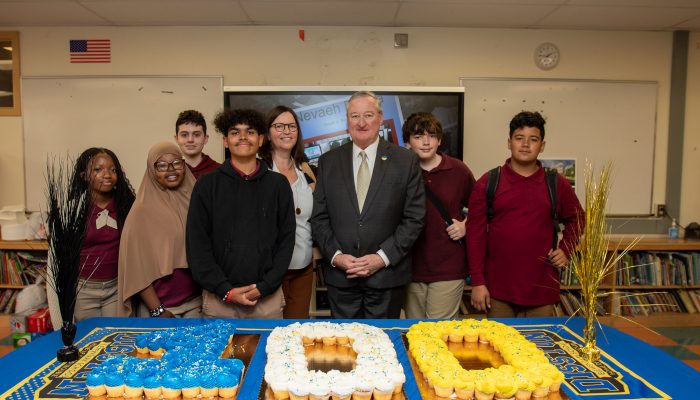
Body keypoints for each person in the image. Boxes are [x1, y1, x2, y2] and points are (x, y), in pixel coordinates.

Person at [310, 91, 425, 319]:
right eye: (354, 116)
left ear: (380, 118)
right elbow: (319, 217)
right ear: (347, 121)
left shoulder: (405, 161)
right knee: (344, 349)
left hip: (386, 277)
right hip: (342, 279)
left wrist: (381, 258)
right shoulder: (328, 162)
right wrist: (336, 256)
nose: (361, 123)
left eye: (368, 115)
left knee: (383, 347)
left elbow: (414, 218)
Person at [466, 111, 583, 318]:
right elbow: (475, 235)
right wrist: (477, 282)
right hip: (498, 289)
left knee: (539, 348)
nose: (526, 144)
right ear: (509, 143)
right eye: (519, 138)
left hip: (541, 289)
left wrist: (566, 249)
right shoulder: (488, 182)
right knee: (498, 348)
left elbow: (578, 219)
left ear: (542, 146)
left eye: (533, 139)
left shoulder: (556, 183)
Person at [186, 108, 295, 319]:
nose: (243, 137)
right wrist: (225, 290)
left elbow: (286, 240)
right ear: (225, 141)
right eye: (235, 132)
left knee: (267, 353)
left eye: (250, 131)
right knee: (218, 353)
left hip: (267, 300)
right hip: (220, 300)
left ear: (261, 139)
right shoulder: (207, 185)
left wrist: (265, 286)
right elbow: (197, 245)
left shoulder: (278, 185)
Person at [402, 113, 475, 319]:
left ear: (440, 140)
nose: (426, 142)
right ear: (407, 142)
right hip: (410, 267)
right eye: (418, 136)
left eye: (431, 136)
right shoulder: (400, 171)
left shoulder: (458, 170)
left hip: (448, 266)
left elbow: (483, 208)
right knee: (415, 332)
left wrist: (465, 225)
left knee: (438, 334)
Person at [117, 141, 202, 318]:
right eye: (162, 165)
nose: (171, 170)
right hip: (160, 309)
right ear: (152, 170)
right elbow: (135, 267)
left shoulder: (196, 200)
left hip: (196, 303)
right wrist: (158, 310)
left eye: (177, 163)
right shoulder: (141, 211)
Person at [259, 105, 317, 319]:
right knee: (270, 333)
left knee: (296, 332)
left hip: (303, 270)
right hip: (269, 272)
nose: (286, 131)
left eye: (291, 126)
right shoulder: (259, 170)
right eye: (279, 126)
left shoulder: (307, 171)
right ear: (267, 133)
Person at [69, 148, 136, 322]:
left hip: (116, 287)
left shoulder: (126, 205)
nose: (107, 175)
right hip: (83, 289)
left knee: (115, 336)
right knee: (88, 340)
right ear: (84, 175)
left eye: (112, 170)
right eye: (98, 170)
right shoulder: (74, 210)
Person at [174, 109, 220, 179]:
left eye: (196, 135)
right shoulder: (170, 170)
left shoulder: (219, 171)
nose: (190, 140)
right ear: (176, 138)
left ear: (205, 138)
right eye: (184, 135)